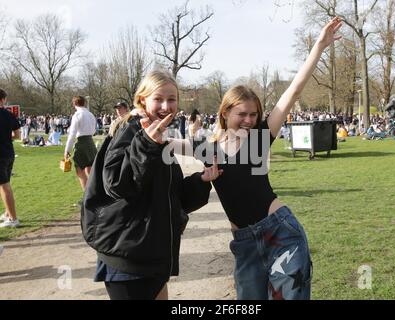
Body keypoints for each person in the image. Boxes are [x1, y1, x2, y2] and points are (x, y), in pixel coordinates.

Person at [193, 17, 342, 300]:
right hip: (245, 245)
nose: (249, 120)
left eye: (254, 114)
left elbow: (293, 91)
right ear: (225, 113)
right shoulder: (207, 149)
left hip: (281, 235)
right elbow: (163, 142)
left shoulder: (261, 137)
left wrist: (319, 47)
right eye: (242, 114)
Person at [82, 70, 222, 300]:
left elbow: (171, 196)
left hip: (151, 255)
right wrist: (147, 144)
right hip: (127, 257)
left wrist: (201, 180)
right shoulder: (129, 130)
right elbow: (116, 185)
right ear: (142, 100)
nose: (166, 106)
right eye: (158, 99)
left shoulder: (158, 136)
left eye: (172, 99)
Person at [64, 96, 97, 191]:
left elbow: (72, 134)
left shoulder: (77, 115)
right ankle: (94, 194)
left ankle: (86, 197)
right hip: (91, 142)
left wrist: (67, 150)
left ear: (74, 104)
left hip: (81, 143)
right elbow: (94, 130)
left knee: (80, 171)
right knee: (90, 170)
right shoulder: (91, 114)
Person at [0, 88, 21, 228]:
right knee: (4, 184)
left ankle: (13, 218)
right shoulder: (9, 115)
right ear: (3, 100)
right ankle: (8, 213)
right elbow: (17, 135)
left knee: (4, 185)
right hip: (8, 152)